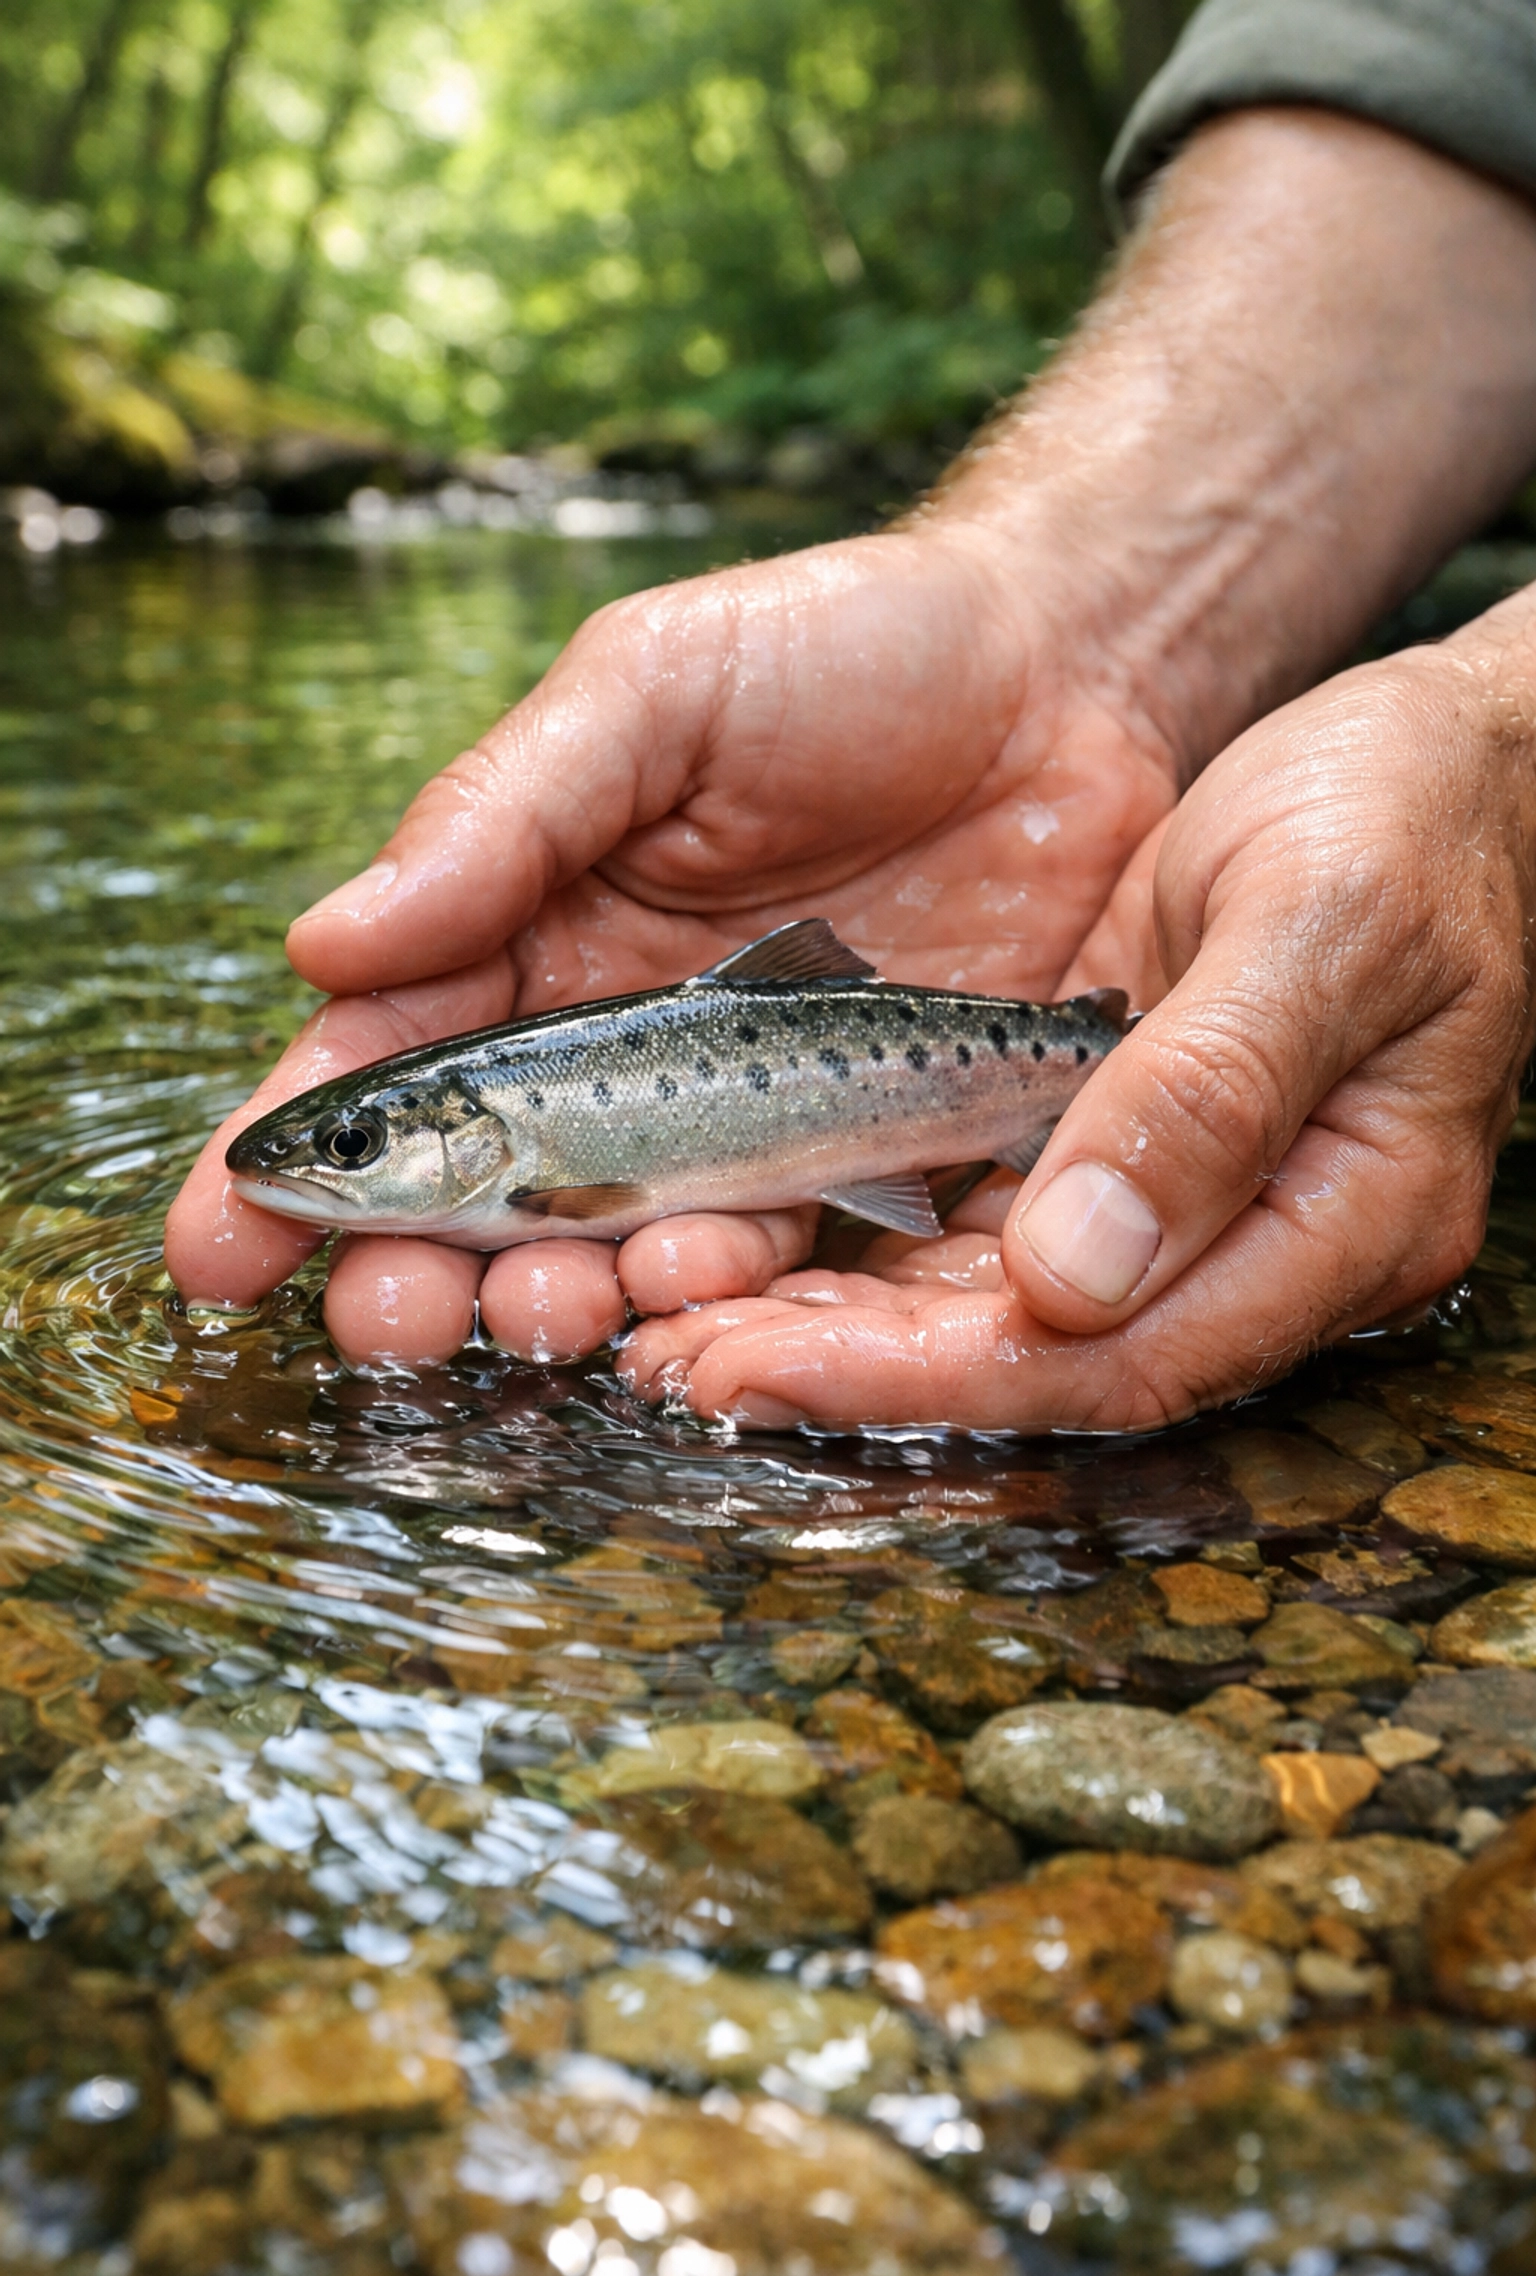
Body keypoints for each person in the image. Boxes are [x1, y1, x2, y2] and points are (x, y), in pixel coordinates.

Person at [165, 0, 1536, 1433]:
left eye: (355, 1142)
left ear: (463, 1143)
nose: (325, 1163)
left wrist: (1502, 738)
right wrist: (1073, 616)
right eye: (350, 1143)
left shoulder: (542, 1166)